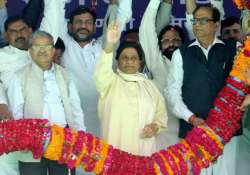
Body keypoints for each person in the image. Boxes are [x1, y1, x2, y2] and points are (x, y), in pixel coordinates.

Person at [166, 4, 238, 175]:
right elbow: (172, 92)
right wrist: (190, 118)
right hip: (193, 132)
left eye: (203, 20)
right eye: (195, 20)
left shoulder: (233, 49)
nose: (197, 24)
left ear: (216, 25)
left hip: (226, 133)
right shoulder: (181, 54)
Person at [7, 30, 85, 175]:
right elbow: (15, 112)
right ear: (29, 51)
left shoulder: (65, 74)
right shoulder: (19, 76)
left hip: (63, 140)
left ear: (53, 50)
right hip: (30, 142)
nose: (42, 51)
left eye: (47, 46)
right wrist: (21, 139)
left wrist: (80, 136)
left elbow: (75, 108)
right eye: (37, 47)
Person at [60, 0, 132, 137]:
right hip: (74, 125)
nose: (83, 26)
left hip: (106, 123)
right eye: (78, 22)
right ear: (69, 27)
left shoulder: (105, 45)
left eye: (88, 22)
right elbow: (54, 10)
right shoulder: (64, 45)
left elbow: (123, 16)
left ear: (94, 27)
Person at [94, 22, 167, 156]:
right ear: (118, 61)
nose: (129, 61)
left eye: (134, 58)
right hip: (115, 150)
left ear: (140, 62)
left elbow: (161, 114)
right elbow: (101, 72)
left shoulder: (149, 86)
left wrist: (155, 127)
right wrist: (109, 45)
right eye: (124, 58)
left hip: (145, 150)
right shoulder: (109, 82)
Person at [139, 0, 185, 149]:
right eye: (166, 41)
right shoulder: (157, 63)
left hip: (189, 135)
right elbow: (146, 28)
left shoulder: (191, 63)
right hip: (161, 136)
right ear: (159, 45)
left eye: (176, 40)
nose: (171, 44)